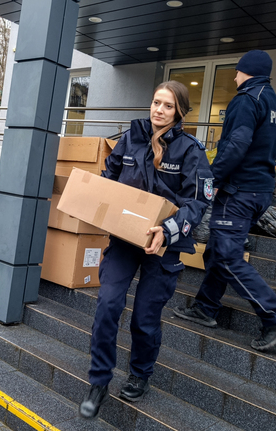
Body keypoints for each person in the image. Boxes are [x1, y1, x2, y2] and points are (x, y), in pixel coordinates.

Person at [79, 81, 213, 419]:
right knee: (108, 305)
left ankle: (140, 375)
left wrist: (166, 231)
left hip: (163, 247)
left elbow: (198, 203)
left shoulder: (190, 149)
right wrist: (95, 201)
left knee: (145, 319)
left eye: (168, 106)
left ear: (179, 111)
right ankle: (98, 382)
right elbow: (108, 179)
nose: (159, 110)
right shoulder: (130, 138)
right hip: (125, 241)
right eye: (156, 102)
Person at [173, 50, 276, 351]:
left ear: (248, 72)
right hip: (260, 191)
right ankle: (205, 307)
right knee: (219, 249)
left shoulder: (247, 99)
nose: (234, 76)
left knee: (228, 256)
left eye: (238, 71)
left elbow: (237, 143)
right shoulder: (275, 104)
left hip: (239, 191)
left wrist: (213, 179)